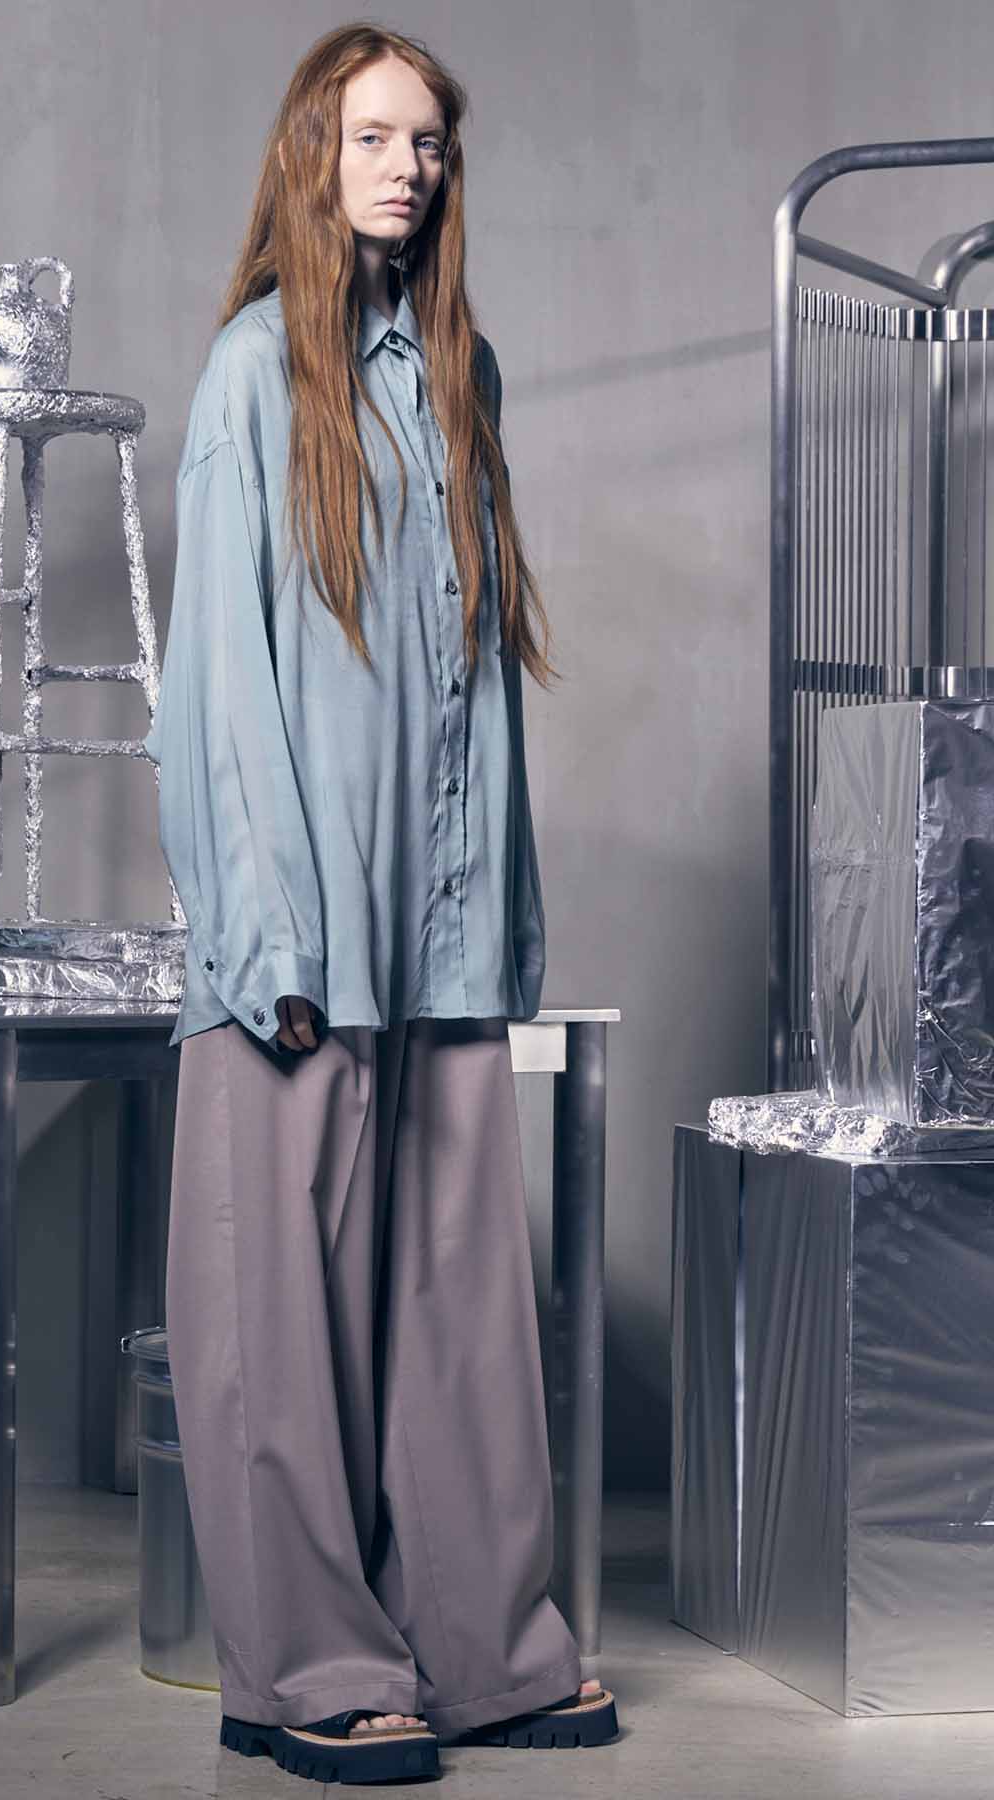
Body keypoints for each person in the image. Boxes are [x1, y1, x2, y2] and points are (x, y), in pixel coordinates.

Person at [142, 21, 618, 1787]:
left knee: (459, 1308)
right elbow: (220, 685)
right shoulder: (253, 376)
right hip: (304, 939)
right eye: (375, 137)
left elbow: (475, 685)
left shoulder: (456, 372)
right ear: (312, 155)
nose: (407, 166)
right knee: (277, 1322)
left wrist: (498, 919)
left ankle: (490, 1647)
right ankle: (306, 1670)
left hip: (439, 929)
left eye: (428, 141)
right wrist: (268, 934)